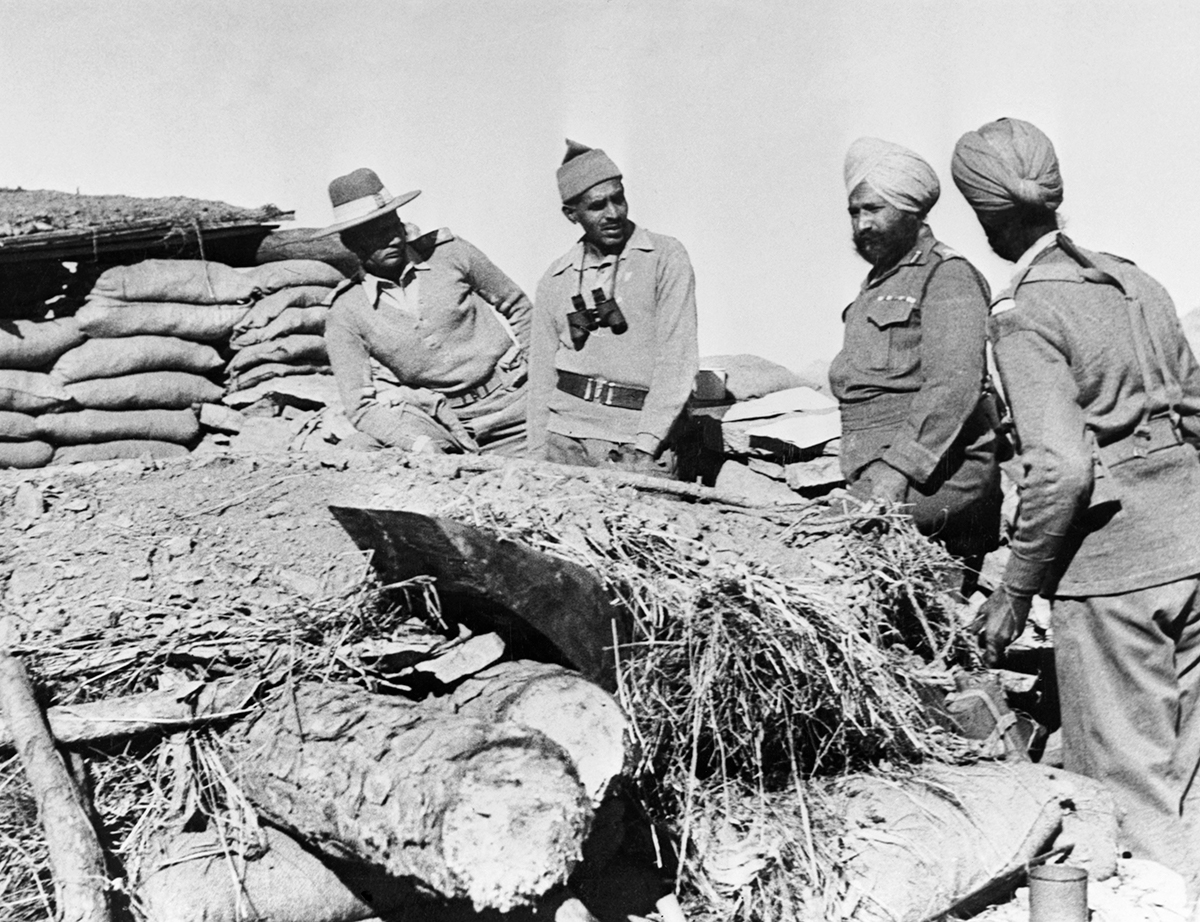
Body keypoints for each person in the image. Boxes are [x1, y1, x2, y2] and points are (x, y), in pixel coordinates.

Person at [957, 117, 1200, 893]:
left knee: (1131, 804)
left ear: (986, 214)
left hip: (1115, 576)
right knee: (1190, 775)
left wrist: (1013, 589)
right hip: (1193, 546)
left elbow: (1061, 470)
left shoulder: (1025, 312)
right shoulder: (1139, 283)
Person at [828, 137, 1002, 563]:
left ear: (912, 211)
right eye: (855, 212)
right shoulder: (879, 282)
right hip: (876, 466)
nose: (862, 225)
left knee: (827, 547)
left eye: (874, 209)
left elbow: (954, 385)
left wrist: (896, 470)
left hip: (937, 474)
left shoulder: (947, 275)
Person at [318, 167, 530, 454]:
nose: (392, 239)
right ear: (350, 243)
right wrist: (417, 444)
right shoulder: (346, 311)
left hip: (513, 405)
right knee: (360, 448)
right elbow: (360, 406)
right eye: (375, 234)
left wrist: (540, 376)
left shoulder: (449, 254)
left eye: (393, 227)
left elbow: (519, 307)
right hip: (442, 423)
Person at [528, 140, 698, 478]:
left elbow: (677, 359)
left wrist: (646, 445)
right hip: (565, 442)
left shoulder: (664, 256)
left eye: (618, 198)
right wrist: (535, 456)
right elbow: (541, 374)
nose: (614, 213)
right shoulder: (556, 278)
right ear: (571, 213)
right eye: (597, 205)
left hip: (635, 444)